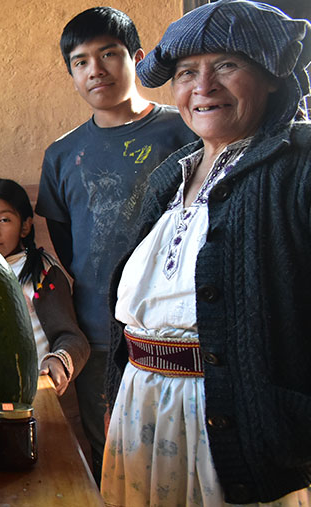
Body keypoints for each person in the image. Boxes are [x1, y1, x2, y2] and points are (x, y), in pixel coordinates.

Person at [102, 1, 311, 504]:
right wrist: (115, 390)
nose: (203, 86)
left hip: (236, 429)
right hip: (143, 413)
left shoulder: (298, 167)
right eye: (186, 72)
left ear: (271, 79)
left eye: (227, 65)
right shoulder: (170, 175)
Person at [34, 7, 198, 477]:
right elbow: (66, 241)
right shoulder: (62, 155)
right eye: (81, 61)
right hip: (99, 330)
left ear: (138, 59)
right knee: (111, 451)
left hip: (179, 333)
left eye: (108, 54)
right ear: (71, 74)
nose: (95, 70)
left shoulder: (184, 130)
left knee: (181, 455)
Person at [0, 179, 90, 397]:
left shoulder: (39, 270)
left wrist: (58, 360)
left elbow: (71, 337)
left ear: (25, 226)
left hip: (37, 392)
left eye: (4, 220)